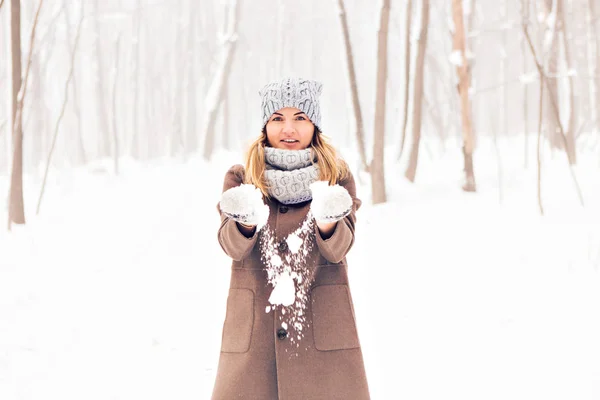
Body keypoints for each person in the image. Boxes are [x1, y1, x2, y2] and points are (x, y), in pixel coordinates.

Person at [211, 77, 370, 400]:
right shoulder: (242, 179)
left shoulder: (336, 177)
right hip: (257, 339)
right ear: (265, 126)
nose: (289, 129)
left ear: (314, 126)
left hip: (320, 334)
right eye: (277, 119)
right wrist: (246, 222)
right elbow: (232, 246)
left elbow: (339, 248)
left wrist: (327, 221)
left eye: (300, 118)